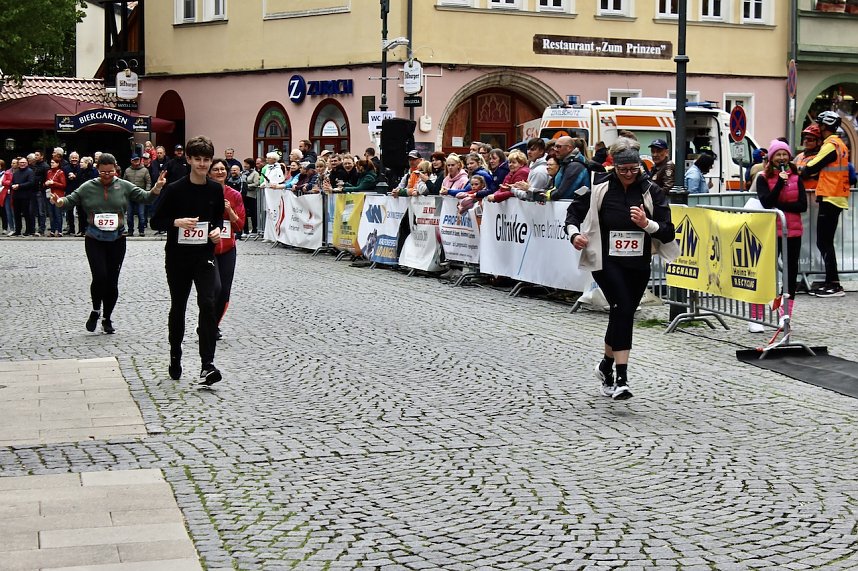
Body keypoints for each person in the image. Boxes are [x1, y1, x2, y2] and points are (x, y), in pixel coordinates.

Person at [565, 138, 676, 401]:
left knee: (620, 312)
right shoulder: (598, 186)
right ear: (614, 167)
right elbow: (572, 213)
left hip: (638, 263)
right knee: (624, 309)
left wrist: (647, 223)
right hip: (606, 262)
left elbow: (668, 230)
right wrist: (574, 235)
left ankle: (606, 366)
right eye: (623, 170)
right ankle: (622, 379)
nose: (628, 175)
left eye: (633, 170)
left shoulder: (651, 190)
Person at [50, 153, 167, 333]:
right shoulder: (88, 186)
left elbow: (146, 198)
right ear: (98, 170)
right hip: (94, 238)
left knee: (112, 281)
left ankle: (107, 318)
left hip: (117, 238)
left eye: (111, 172)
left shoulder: (124, 185)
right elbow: (70, 201)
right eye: (103, 172)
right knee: (100, 276)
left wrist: (157, 188)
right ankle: (96, 309)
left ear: (116, 169)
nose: (107, 175)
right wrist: (59, 202)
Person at [149, 136, 225, 386]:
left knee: (208, 303)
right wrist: (176, 222)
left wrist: (215, 232)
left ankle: (207, 364)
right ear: (189, 159)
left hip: (204, 256)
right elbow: (155, 221)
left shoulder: (215, 189)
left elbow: (216, 222)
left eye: (206, 160)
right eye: (198, 159)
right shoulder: (175, 189)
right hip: (178, 257)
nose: (202, 164)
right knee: (179, 306)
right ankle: (175, 353)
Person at [748, 139, 808, 332]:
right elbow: (767, 202)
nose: (782, 158)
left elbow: (802, 206)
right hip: (770, 231)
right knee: (764, 273)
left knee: (790, 275)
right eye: (778, 154)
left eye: (784, 154)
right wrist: (780, 186)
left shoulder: (797, 178)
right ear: (771, 158)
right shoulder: (763, 177)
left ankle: (785, 315)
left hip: (792, 231)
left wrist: (780, 207)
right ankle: (756, 317)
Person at [800, 111, 850, 297]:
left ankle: (834, 284)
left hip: (831, 196)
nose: (818, 128)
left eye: (819, 124)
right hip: (835, 195)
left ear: (825, 125)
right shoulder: (840, 144)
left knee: (824, 241)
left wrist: (798, 170)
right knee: (825, 241)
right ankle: (832, 282)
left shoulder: (831, 145)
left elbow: (812, 167)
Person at [208, 159, 246, 339]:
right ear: (209, 173)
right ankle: (206, 322)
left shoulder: (234, 195)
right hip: (208, 248)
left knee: (224, 290)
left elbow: (240, 225)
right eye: (216, 169)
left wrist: (229, 211)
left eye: (223, 169)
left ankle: (213, 325)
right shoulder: (203, 192)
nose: (220, 172)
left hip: (228, 248)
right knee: (212, 288)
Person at [546, 136, 590, 201]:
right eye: (555, 147)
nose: (555, 149)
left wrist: (546, 195)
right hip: (568, 207)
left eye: (558, 147)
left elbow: (563, 193)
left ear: (569, 148)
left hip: (573, 208)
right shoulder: (566, 163)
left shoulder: (574, 166)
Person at [124, 154, 151, 236]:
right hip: (130, 195)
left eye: (137, 160)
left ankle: (141, 230)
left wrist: (146, 192)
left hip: (140, 195)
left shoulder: (145, 170)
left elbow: (148, 182)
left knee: (141, 215)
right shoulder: (127, 170)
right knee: (129, 215)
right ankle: (130, 230)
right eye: (134, 160)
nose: (136, 162)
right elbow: (124, 182)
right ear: (131, 161)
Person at [11, 157, 36, 236]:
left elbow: (31, 183)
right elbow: (12, 182)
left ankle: (28, 230)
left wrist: (19, 186)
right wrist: (13, 186)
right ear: (18, 164)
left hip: (26, 196)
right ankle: (17, 230)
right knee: (16, 214)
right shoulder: (16, 173)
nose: (22, 164)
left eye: (24, 162)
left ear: (27, 163)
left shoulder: (30, 172)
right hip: (16, 196)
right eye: (21, 162)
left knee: (27, 214)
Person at [44, 157, 67, 237]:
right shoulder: (49, 172)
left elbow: (63, 185)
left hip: (58, 195)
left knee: (58, 213)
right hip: (50, 194)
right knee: (51, 214)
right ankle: (52, 230)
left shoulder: (60, 172)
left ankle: (60, 231)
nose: (51, 164)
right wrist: (46, 184)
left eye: (53, 163)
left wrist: (53, 183)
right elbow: (46, 182)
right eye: (51, 162)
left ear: (58, 164)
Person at [242, 158, 260, 236]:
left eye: (247, 164)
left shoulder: (255, 173)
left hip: (251, 195)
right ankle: (245, 230)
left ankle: (254, 230)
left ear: (250, 165)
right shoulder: (243, 173)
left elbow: (256, 184)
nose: (245, 165)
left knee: (253, 213)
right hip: (244, 195)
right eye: (244, 163)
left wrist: (246, 186)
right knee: (244, 213)